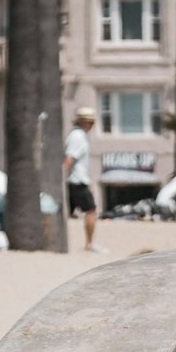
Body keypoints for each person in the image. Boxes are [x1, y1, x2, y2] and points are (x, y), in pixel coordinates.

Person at [64, 105, 102, 251]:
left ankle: (89, 243)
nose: (92, 125)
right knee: (91, 210)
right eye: (90, 121)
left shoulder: (79, 135)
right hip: (77, 180)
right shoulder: (78, 137)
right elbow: (69, 158)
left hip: (77, 180)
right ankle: (89, 244)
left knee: (79, 211)